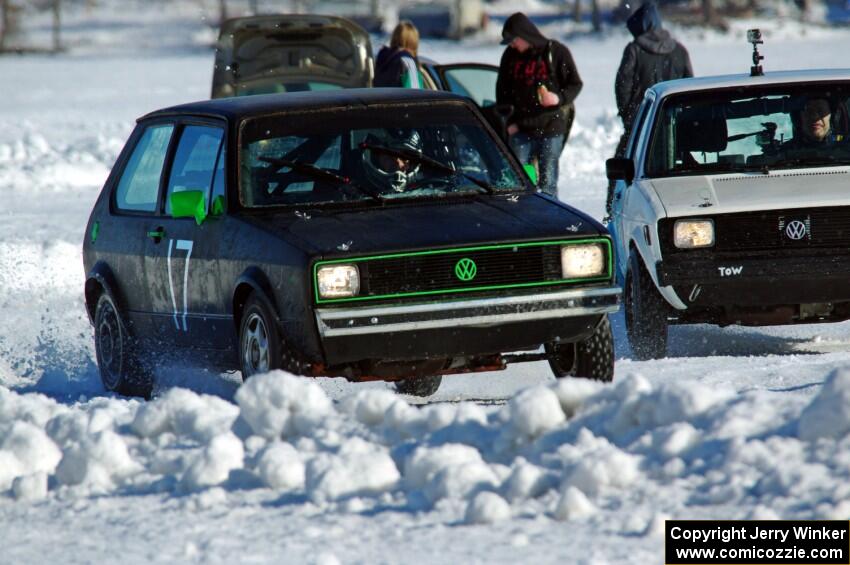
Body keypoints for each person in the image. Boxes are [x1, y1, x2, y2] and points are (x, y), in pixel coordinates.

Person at [608, 2, 692, 215]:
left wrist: (630, 117)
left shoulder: (634, 49)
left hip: (640, 122)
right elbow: (689, 85)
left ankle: (614, 210)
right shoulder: (679, 49)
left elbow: (623, 85)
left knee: (623, 168)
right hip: (673, 124)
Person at [496, 12, 583, 197]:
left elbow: (575, 83)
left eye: (514, 40)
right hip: (520, 130)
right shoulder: (510, 56)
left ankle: (551, 224)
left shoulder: (555, 52)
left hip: (551, 128)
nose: (512, 45)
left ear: (524, 36)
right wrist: (509, 122)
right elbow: (502, 93)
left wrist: (558, 98)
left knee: (548, 184)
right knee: (518, 183)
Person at [373, 21, 425, 89]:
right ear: (414, 42)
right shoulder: (407, 61)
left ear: (394, 37)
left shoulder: (382, 59)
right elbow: (415, 93)